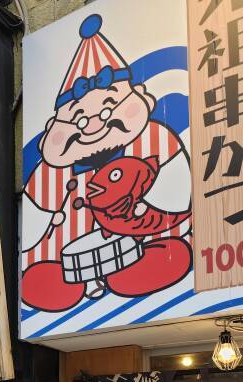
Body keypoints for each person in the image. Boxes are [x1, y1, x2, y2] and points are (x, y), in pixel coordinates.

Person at [21, 13, 191, 313]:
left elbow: (176, 196)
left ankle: (149, 262)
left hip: (143, 240)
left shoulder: (154, 138)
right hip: (66, 258)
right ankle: (60, 282)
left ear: (140, 101)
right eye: (80, 118)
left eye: (108, 108)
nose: (92, 125)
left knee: (164, 254)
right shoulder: (49, 173)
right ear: (53, 129)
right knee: (44, 277)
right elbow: (35, 218)